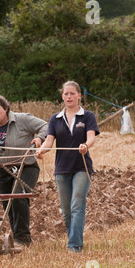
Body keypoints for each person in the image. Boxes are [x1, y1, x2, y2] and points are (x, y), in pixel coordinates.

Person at [36, 81, 100, 253]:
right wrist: (41, 150)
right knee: (66, 211)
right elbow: (49, 142)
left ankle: (74, 246)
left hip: (81, 167)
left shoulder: (87, 116)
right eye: (66, 94)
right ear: (62, 96)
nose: (69, 97)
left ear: (79, 95)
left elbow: (91, 138)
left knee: (77, 205)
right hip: (62, 169)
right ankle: (75, 239)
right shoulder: (55, 119)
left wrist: (85, 146)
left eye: (72, 93)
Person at [0, 92, 48, 250]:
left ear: (5, 108)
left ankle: (23, 238)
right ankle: (17, 237)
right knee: (7, 203)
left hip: (26, 166)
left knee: (18, 196)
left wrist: (39, 138)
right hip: (3, 169)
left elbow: (46, 126)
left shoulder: (23, 119)